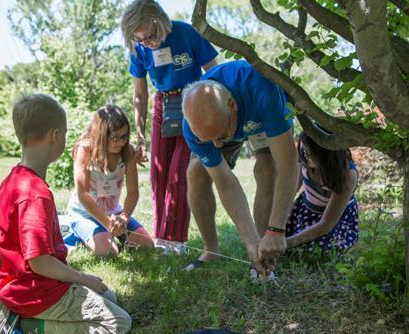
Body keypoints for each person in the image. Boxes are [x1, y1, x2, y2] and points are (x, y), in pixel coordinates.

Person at [0, 94, 131, 333]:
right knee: (119, 322)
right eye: (63, 133)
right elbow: (40, 262)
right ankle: (28, 324)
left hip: (13, 286)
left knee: (110, 297)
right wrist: (83, 278)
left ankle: (24, 316)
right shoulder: (35, 194)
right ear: (55, 136)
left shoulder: (13, 179)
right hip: (33, 291)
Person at [181, 60, 299, 275]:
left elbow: (288, 165)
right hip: (229, 124)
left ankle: (267, 249)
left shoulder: (264, 90)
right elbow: (225, 183)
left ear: (232, 105)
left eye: (220, 137)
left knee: (268, 170)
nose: (218, 146)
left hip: (259, 117)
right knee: (196, 173)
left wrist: (276, 229)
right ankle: (212, 250)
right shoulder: (193, 127)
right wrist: (249, 241)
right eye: (209, 141)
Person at [121, 0, 218, 252]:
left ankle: (176, 241)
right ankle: (162, 239)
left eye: (150, 36)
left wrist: (212, 114)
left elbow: (214, 72)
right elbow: (140, 94)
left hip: (193, 101)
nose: (147, 43)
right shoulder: (139, 47)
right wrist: (140, 135)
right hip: (163, 105)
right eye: (139, 39)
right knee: (158, 174)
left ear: (160, 21)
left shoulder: (186, 32)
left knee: (179, 174)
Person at [66, 105, 153, 257]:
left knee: (146, 245)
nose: (121, 142)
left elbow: (133, 193)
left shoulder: (128, 152)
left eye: (125, 136)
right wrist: (108, 224)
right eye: (115, 137)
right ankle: (81, 233)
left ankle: (106, 235)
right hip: (84, 213)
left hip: (113, 212)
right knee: (108, 252)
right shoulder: (85, 150)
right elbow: (83, 194)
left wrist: (123, 218)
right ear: (101, 135)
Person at [285, 130, 359, 252]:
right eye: (304, 150)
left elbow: (326, 224)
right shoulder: (304, 155)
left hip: (334, 221)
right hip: (305, 211)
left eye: (310, 153)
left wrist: (286, 244)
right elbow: (290, 191)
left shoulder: (348, 174)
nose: (306, 156)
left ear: (326, 154)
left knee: (315, 250)